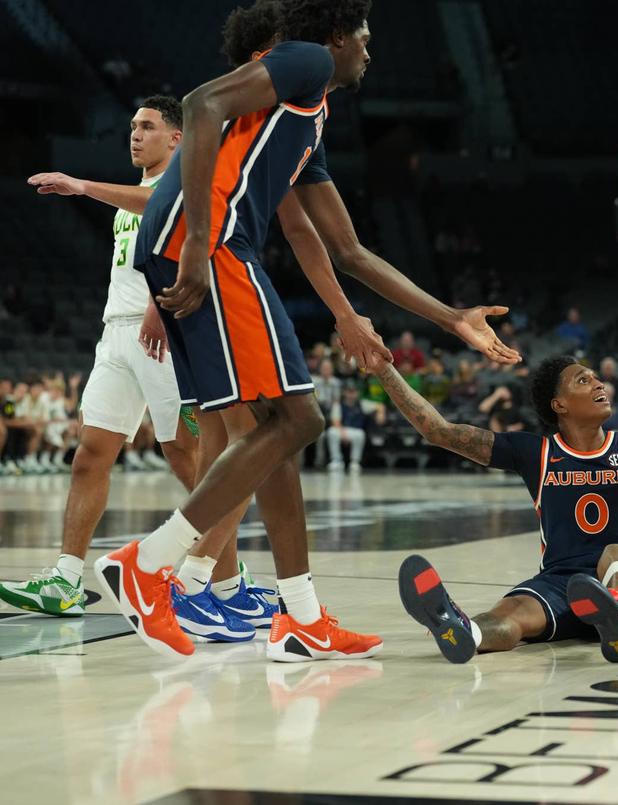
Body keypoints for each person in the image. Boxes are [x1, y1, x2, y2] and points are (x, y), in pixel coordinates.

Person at [92, 0, 519, 662]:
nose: (370, 53)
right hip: (211, 242)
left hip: (207, 242)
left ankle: (302, 618)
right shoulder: (308, 59)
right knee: (299, 419)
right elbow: (201, 102)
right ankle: (152, 565)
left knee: (280, 430)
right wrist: (202, 245)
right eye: (367, 40)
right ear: (339, 38)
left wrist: (450, 315)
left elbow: (347, 250)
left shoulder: (304, 123)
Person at [383, 321, 618, 664]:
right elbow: (439, 431)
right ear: (559, 405)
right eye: (583, 380)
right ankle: (464, 629)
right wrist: (383, 368)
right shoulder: (536, 454)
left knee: (614, 552)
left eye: (596, 378)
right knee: (510, 611)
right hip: (563, 585)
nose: (599, 383)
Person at [2, 97, 202, 617]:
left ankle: (223, 575)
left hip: (162, 333)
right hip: (116, 334)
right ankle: (67, 579)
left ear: (175, 139)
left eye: (148, 127)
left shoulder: (180, 185)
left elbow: (188, 250)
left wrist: (80, 185)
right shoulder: (130, 197)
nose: (135, 135)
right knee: (90, 451)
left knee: (185, 457)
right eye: (133, 127)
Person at [325, 383, 368, 473]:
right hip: (341, 429)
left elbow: (378, 406)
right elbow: (335, 421)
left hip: (355, 431)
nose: (351, 395)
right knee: (331, 432)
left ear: (357, 393)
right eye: (349, 392)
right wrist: (343, 433)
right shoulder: (338, 404)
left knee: (361, 434)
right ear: (345, 393)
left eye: (353, 392)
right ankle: (336, 460)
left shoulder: (362, 404)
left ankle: (355, 462)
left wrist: (381, 411)